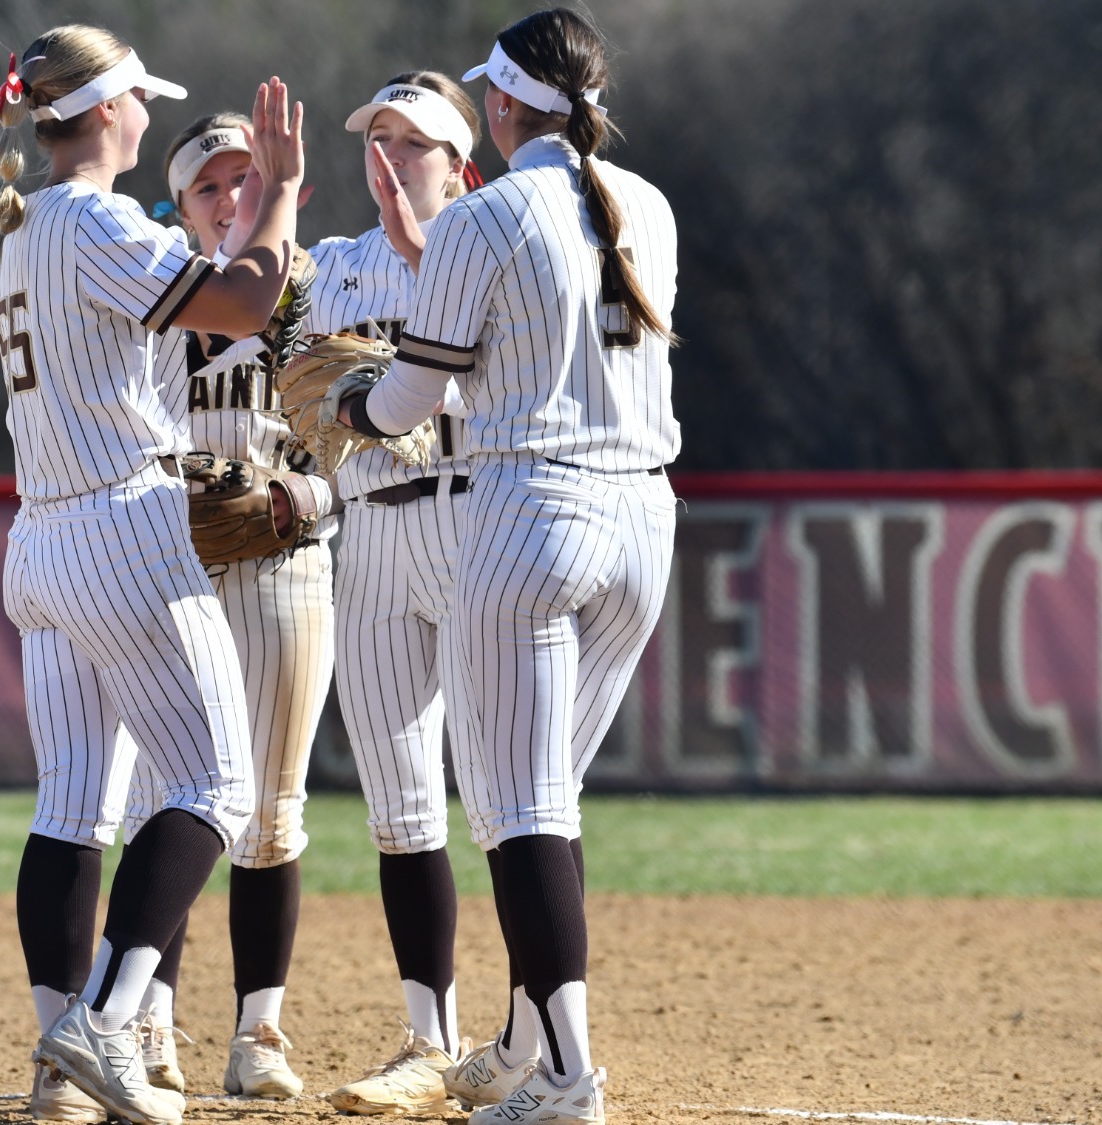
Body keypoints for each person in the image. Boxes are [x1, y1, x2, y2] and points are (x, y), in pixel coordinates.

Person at [0, 25, 310, 1125]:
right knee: (212, 785)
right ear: (104, 109)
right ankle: (105, 1026)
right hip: (121, 523)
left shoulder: (20, 231)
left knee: (73, 805)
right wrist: (283, 192)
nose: (146, 115)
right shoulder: (90, 216)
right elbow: (246, 302)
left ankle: (53, 1065)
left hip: (42, 537)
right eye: (137, 101)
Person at [340, 10, 680, 1125]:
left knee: (517, 806)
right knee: (550, 796)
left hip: (533, 509)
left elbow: (405, 401)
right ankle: (527, 1047)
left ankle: (570, 1079)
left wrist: (349, 400)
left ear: (496, 107)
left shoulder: (484, 217)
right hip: (644, 520)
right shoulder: (651, 206)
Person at [111, 114, 337, 1102]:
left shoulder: (319, 287)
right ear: (180, 202)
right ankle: (147, 1025)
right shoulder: (143, 290)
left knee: (271, 812)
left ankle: (258, 1033)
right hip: (166, 568)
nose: (232, 196)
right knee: (163, 800)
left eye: (249, 179)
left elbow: (374, 447)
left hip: (284, 562)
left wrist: (302, 498)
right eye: (210, 185)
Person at [292, 71, 485, 1117]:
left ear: (459, 163)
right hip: (368, 531)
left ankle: (543, 1032)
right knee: (399, 807)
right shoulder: (339, 269)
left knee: (509, 795)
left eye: (411, 144)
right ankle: (428, 1040)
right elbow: (309, 404)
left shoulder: (491, 240)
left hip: (474, 513)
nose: (388, 159)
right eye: (375, 140)